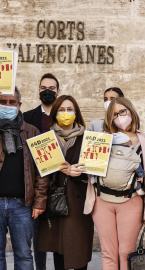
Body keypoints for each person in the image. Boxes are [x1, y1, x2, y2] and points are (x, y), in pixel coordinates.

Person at [84, 97, 145, 270]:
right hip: (102, 201)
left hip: (131, 202)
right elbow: (89, 170)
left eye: (122, 112)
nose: (119, 117)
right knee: (108, 253)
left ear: (131, 111)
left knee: (126, 252)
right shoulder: (101, 138)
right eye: (114, 114)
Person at [38, 95, 94, 270]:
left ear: (76, 113)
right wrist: (60, 169)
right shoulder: (45, 139)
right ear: (54, 114)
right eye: (61, 110)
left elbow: (96, 169)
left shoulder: (89, 139)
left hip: (79, 203)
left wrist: (77, 173)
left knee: (79, 250)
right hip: (56, 201)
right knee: (58, 249)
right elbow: (40, 171)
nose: (66, 113)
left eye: (70, 109)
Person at [0, 88, 49, 270]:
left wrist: (39, 202)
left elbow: (43, 171)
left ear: (19, 105)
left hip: (23, 205)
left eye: (12, 102)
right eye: (3, 102)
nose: (7, 106)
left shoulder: (32, 131)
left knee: (24, 256)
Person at [23, 72, 60, 270]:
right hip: (35, 183)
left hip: (60, 183)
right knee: (37, 235)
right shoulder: (27, 117)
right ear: (38, 90)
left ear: (58, 91)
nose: (47, 91)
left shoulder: (64, 115)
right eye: (43, 88)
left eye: (51, 88)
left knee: (57, 235)